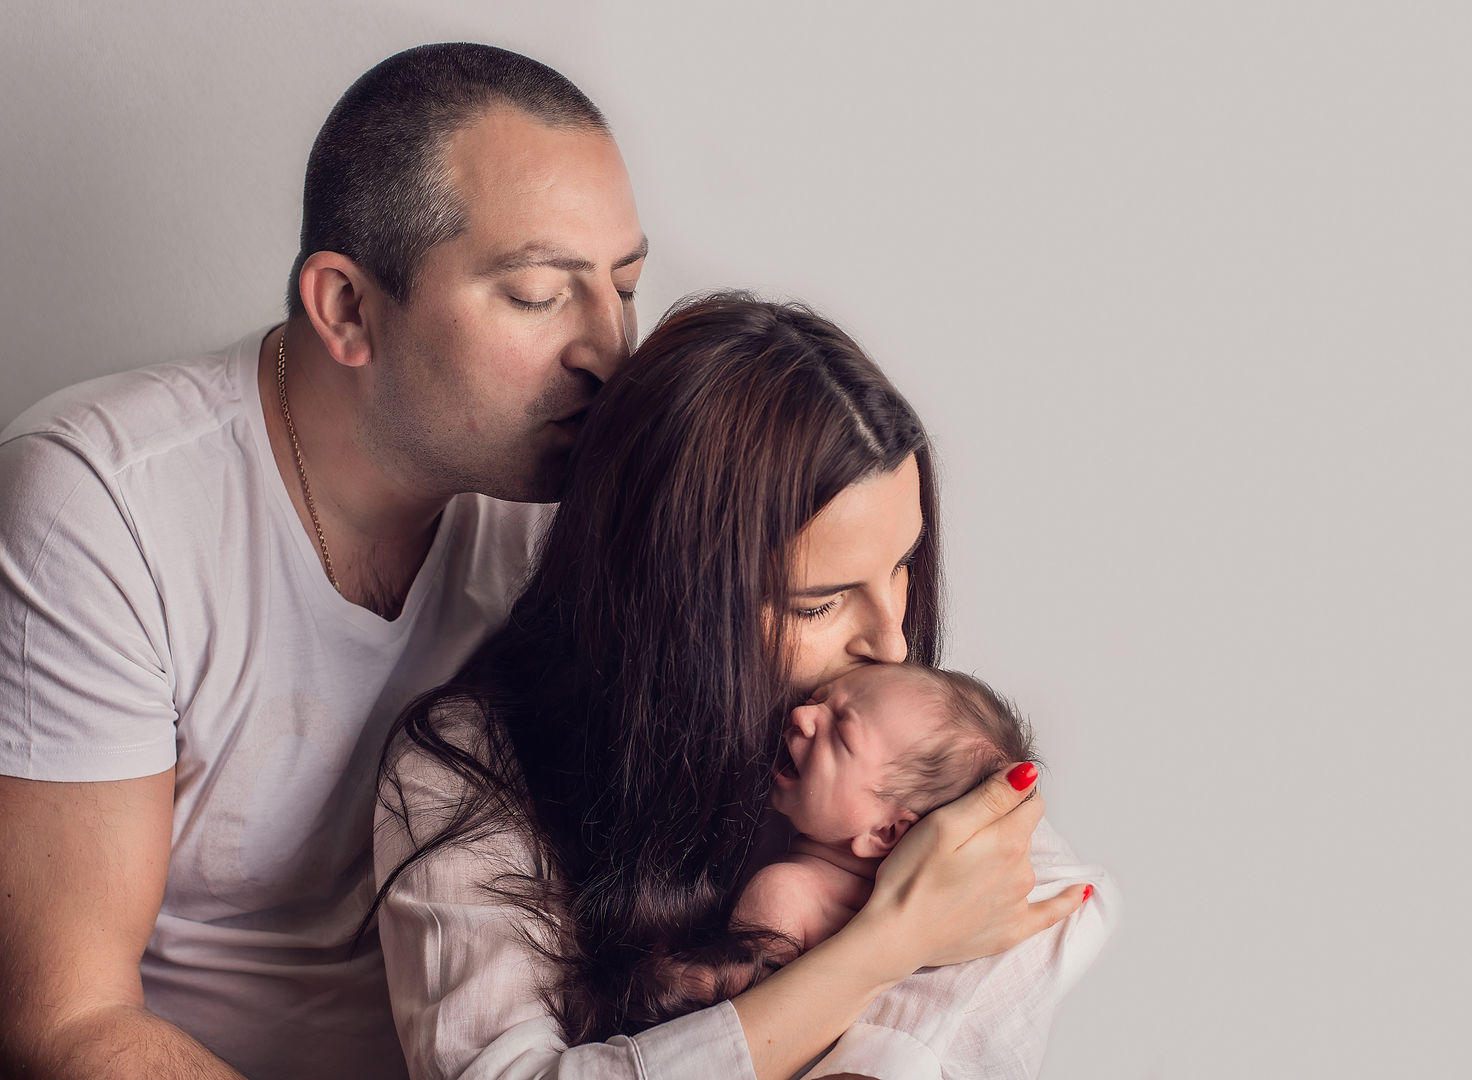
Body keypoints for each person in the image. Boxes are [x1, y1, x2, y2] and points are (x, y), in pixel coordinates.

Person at [0, 44, 645, 1079]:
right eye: (537, 294)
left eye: (624, 286)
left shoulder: (570, 502)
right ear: (346, 307)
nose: (608, 353)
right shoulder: (104, 502)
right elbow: (67, 1021)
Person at [373, 294, 1114, 1080]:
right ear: (673, 599)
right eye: (820, 601)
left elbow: (1061, 897)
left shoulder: (881, 739)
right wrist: (885, 947)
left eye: (902, 567)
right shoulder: (461, 772)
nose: (893, 639)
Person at [736, 662, 1047, 959]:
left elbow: (722, 1011)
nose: (801, 714)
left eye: (841, 736)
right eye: (817, 698)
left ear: (884, 831)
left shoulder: (783, 895)